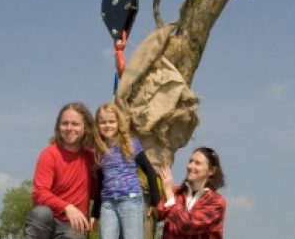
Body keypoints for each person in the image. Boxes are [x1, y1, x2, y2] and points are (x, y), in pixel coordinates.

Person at [25, 102, 99, 239]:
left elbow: (99, 192)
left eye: (75, 124)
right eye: (65, 123)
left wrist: (96, 214)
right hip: (47, 221)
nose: (69, 128)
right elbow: (39, 193)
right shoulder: (49, 154)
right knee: (40, 213)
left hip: (73, 225)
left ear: (85, 127)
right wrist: (67, 207)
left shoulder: (92, 158)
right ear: (58, 127)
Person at [93, 102, 161, 239]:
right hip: (108, 203)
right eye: (103, 122)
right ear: (98, 126)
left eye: (112, 121)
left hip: (130, 200)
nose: (108, 125)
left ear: (118, 123)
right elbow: (101, 183)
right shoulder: (100, 150)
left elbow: (149, 171)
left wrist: (155, 200)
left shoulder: (131, 144)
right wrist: (95, 213)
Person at [157, 146, 226, 239]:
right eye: (190, 161)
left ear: (211, 171)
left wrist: (169, 196)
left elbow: (187, 225)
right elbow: (157, 213)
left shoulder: (216, 202)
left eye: (197, 163)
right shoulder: (176, 193)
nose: (190, 166)